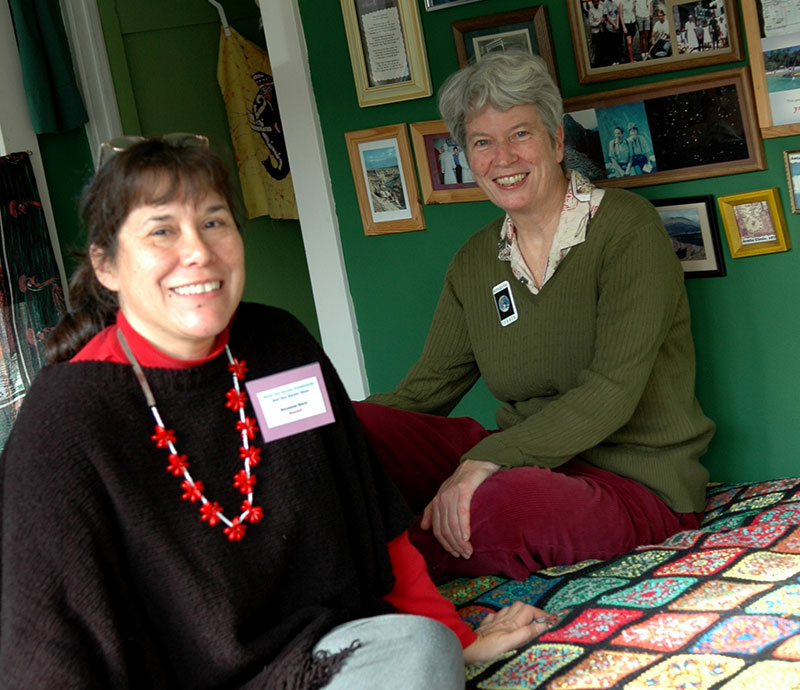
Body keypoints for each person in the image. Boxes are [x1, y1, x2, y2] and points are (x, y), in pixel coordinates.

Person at [0, 136, 549, 689]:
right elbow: (44, 643)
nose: (199, 252)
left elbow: (369, 513)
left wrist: (454, 636)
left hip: (306, 660)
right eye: (162, 230)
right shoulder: (65, 419)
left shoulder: (278, 345)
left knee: (420, 649)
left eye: (214, 222)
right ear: (106, 265)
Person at [354, 51, 714, 584]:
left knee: (497, 504)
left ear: (557, 141)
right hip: (525, 461)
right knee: (355, 430)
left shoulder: (625, 230)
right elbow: (421, 395)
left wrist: (486, 460)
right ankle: (340, 544)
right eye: (482, 142)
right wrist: (318, 433)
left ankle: (358, 573)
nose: (502, 157)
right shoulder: (475, 262)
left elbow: (612, 390)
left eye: (520, 133)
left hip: (633, 483)